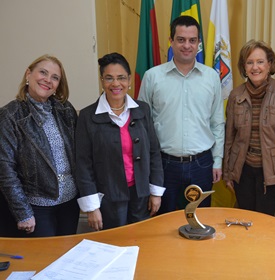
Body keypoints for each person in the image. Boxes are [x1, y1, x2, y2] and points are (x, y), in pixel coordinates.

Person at [138, 15, 224, 214]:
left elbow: (217, 122)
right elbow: (143, 125)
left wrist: (217, 160)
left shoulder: (211, 77)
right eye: (181, 39)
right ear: (171, 41)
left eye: (192, 40)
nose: (187, 45)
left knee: (200, 221)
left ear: (199, 43)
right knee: (163, 221)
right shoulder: (152, 77)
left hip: (202, 164)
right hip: (164, 164)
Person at [76, 53, 164, 230]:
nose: (116, 84)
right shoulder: (87, 116)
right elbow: (82, 164)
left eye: (121, 78)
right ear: (102, 81)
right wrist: (92, 207)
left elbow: (154, 152)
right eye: (109, 78)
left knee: (141, 243)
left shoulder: (142, 110)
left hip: (141, 195)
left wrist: (156, 192)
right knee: (114, 246)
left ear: (129, 80)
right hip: (108, 198)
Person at [0, 54, 79, 237]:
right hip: (37, 209)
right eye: (43, 72)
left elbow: (80, 155)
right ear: (28, 74)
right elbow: (5, 169)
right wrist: (23, 212)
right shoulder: (10, 115)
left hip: (69, 204)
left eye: (55, 77)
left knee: (68, 258)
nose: (48, 80)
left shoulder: (65, 110)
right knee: (45, 262)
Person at [222, 40, 275, 216]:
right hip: (242, 171)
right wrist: (228, 173)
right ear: (244, 67)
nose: (255, 67)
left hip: (272, 172)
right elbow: (229, 138)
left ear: (269, 64)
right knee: (244, 219)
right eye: (249, 62)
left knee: (265, 222)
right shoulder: (236, 96)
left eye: (260, 62)